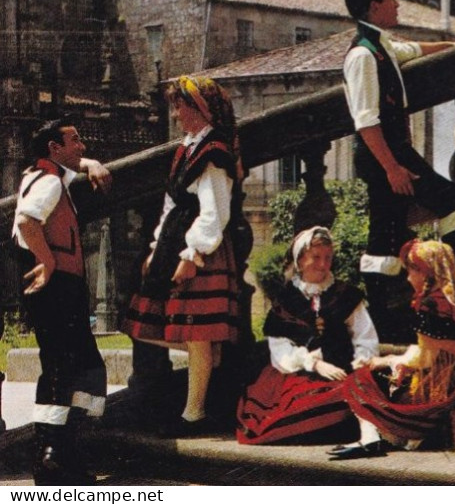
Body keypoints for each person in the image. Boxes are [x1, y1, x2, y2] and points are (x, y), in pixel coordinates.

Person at [343, 0, 455, 337]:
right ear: (374, 6)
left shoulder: (380, 47)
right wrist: (392, 169)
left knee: (388, 233)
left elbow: (412, 50)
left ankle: (392, 318)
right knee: (444, 209)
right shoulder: (363, 56)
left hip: (395, 155)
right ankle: (391, 318)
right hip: (385, 158)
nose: (398, 4)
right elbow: (366, 121)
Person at [123, 75, 243, 436]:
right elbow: (170, 203)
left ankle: (195, 413)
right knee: (179, 330)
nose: (176, 114)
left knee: (199, 334)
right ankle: (195, 404)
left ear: (200, 109)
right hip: (176, 242)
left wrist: (193, 254)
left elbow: (215, 212)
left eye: (181, 106)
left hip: (201, 249)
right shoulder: (188, 148)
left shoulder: (214, 152)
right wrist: (157, 246)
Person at [12, 119, 112, 484]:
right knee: (63, 366)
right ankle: (53, 454)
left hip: (60, 284)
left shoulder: (43, 174)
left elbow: (68, 172)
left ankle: (63, 447)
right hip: (56, 283)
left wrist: (88, 164)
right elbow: (26, 222)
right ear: (54, 149)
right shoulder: (50, 181)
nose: (82, 146)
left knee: (80, 365)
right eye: (75, 141)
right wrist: (47, 260)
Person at [236, 226, 384, 455]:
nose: (323, 264)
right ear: (300, 260)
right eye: (316, 257)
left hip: (342, 368)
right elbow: (280, 350)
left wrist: (359, 362)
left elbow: (365, 337)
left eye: (328, 258)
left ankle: (366, 434)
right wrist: (314, 364)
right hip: (297, 373)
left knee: (355, 386)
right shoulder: (285, 300)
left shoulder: (345, 295)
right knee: (299, 406)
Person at [340, 238, 455, 453]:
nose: (407, 278)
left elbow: (425, 359)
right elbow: (436, 347)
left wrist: (386, 361)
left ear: (426, 272)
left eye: (411, 271)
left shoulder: (432, 305)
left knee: (359, 380)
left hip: (443, 383)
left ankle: (373, 437)